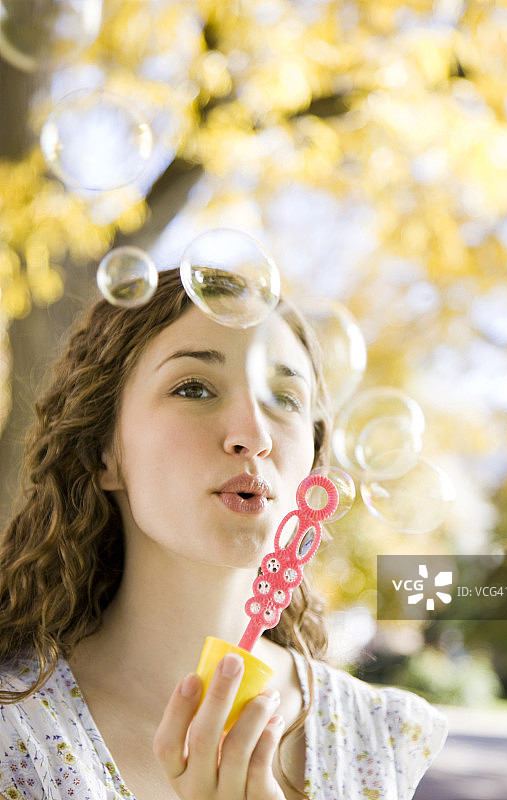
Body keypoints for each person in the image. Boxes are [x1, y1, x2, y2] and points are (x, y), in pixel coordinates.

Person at [0, 267, 447, 799]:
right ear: (105, 453)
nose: (254, 436)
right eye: (195, 388)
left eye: (285, 398)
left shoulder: (381, 737)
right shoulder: (16, 733)